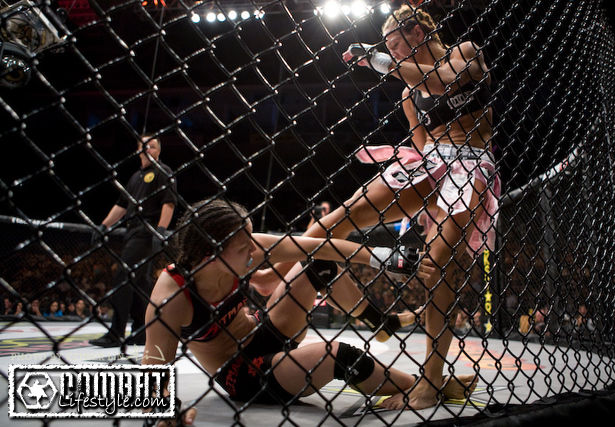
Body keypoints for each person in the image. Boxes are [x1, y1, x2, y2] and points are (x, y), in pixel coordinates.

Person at [255, 5, 499, 410]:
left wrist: (378, 59)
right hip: (430, 162)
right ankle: (273, 273)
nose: (393, 52)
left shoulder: (465, 53)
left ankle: (430, 381)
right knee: (341, 216)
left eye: (396, 43)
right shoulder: (408, 95)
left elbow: (444, 81)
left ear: (418, 32)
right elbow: (422, 144)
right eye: (388, 47)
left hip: (470, 162)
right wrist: (419, 189)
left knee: (438, 264)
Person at [142, 199, 477, 426]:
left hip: (265, 332)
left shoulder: (242, 248)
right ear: (211, 252)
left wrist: (385, 258)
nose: (253, 248)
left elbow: (320, 246)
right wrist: (165, 414)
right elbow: (153, 366)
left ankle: (382, 322)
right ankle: (424, 384)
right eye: (244, 245)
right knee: (339, 355)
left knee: (319, 265)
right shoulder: (172, 296)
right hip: (242, 373)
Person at [90, 135, 178, 347]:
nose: (148, 149)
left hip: (146, 232)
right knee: (139, 284)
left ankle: (116, 332)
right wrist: (104, 226)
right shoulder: (135, 177)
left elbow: (169, 203)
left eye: (152, 146)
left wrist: (160, 230)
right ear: (138, 150)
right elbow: (121, 205)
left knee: (124, 276)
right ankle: (141, 331)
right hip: (132, 230)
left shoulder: (163, 171)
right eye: (144, 145)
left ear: (158, 151)